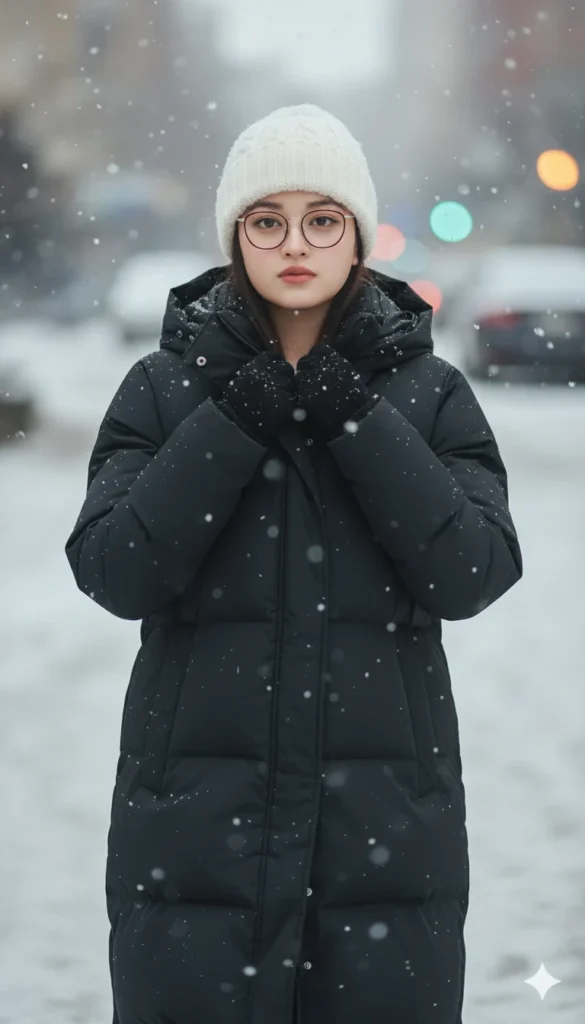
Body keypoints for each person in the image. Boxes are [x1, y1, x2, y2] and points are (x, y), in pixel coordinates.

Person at [65, 104, 523, 1024]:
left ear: (355, 234)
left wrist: (354, 414)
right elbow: (116, 569)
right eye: (266, 220)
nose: (295, 243)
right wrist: (235, 417)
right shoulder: (163, 389)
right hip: (196, 838)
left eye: (323, 218)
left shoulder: (429, 395)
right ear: (237, 236)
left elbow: (473, 569)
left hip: (385, 839)